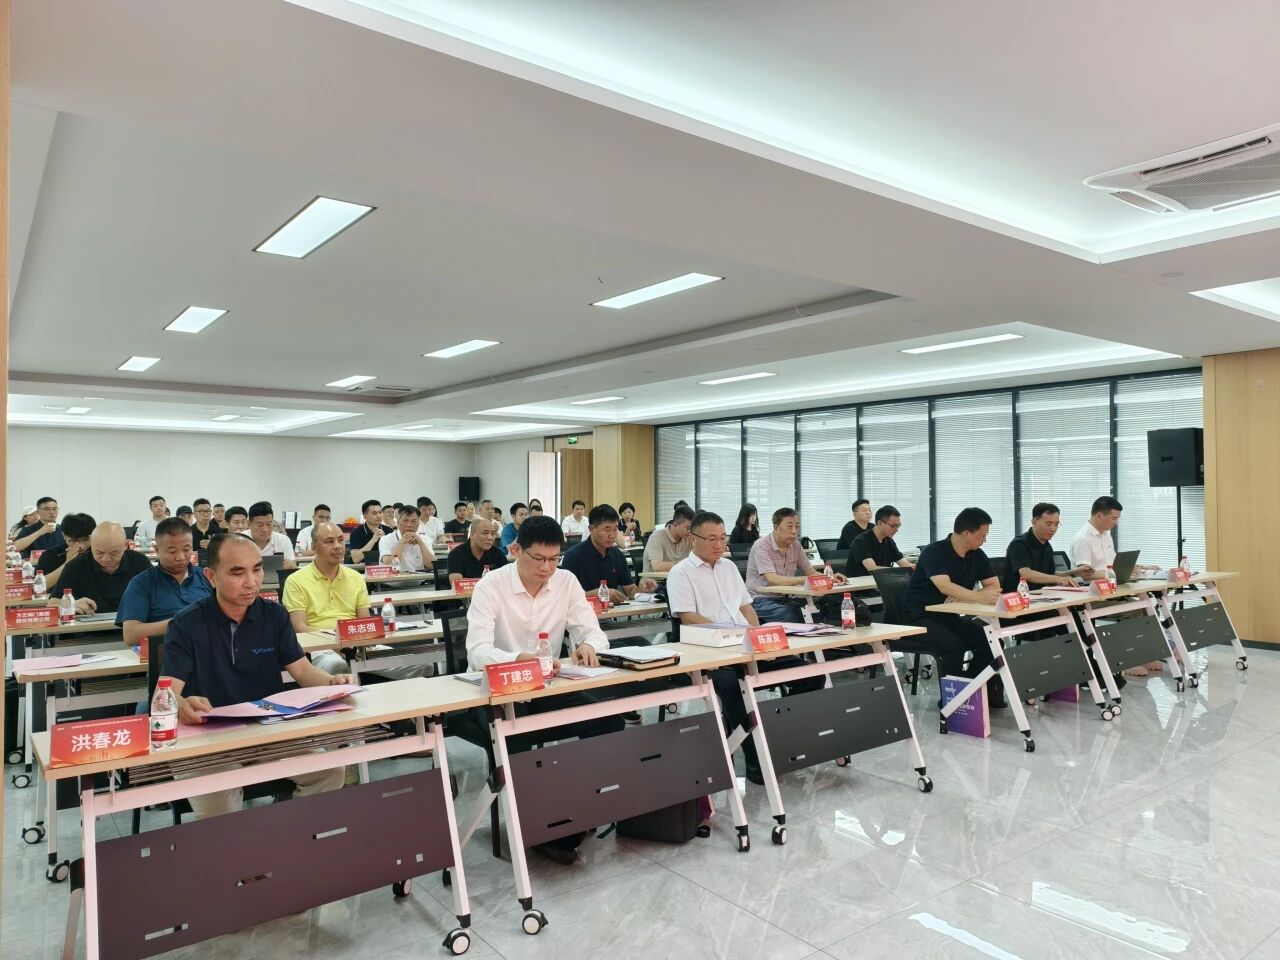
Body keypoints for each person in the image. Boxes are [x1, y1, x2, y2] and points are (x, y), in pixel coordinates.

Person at [466, 515, 623, 864]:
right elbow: (476, 652)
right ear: (516, 550)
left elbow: (593, 632)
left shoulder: (565, 582)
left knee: (608, 721)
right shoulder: (491, 586)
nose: (546, 568)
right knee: (516, 736)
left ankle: (579, 806)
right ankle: (541, 826)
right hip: (499, 692)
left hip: (547, 687)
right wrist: (518, 659)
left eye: (554, 559)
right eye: (538, 559)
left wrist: (589, 645)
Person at [161, 534, 352, 819]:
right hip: (208, 740)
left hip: (266, 730)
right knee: (220, 807)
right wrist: (182, 703)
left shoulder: (273, 615)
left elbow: (302, 670)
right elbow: (166, 692)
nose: (251, 582)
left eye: (257, 569)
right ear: (211, 576)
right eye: (237, 572)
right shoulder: (186, 624)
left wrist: (332, 683)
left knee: (331, 771)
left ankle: (287, 832)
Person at [668, 510, 823, 785]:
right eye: (711, 539)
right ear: (693, 538)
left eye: (722, 538)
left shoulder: (728, 568)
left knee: (811, 674)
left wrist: (756, 635)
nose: (719, 544)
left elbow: (746, 607)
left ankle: (773, 733)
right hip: (710, 651)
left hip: (745, 645)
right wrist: (730, 636)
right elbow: (689, 617)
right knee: (729, 685)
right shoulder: (681, 573)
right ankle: (754, 757)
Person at [902, 507, 1004, 707]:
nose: (984, 540)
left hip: (949, 617)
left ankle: (970, 688)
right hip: (918, 618)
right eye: (982, 536)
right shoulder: (934, 552)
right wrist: (976, 596)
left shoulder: (977, 554)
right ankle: (951, 702)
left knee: (992, 641)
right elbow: (944, 586)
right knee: (953, 646)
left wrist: (963, 597)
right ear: (966, 533)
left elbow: (994, 586)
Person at [283, 521, 369, 675]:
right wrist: (335, 643)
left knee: (413, 663)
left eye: (341, 540)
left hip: (354, 642)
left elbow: (365, 621)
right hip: (317, 645)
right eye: (329, 541)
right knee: (338, 667)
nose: (337, 546)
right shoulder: (296, 580)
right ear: (314, 547)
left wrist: (354, 643)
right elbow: (299, 627)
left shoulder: (356, 577)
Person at [117, 517, 214, 650]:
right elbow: (130, 635)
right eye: (172, 551)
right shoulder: (141, 584)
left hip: (209, 651)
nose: (180, 557)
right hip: (166, 655)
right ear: (157, 549)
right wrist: (180, 623)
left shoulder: (208, 577)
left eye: (186, 549)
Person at [746, 507, 846, 623]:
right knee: (793, 615)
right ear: (776, 527)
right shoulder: (761, 546)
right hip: (760, 599)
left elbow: (811, 572)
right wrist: (807, 579)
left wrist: (829, 578)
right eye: (789, 526)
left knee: (825, 608)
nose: (794, 531)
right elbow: (773, 579)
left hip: (787, 597)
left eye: (797, 527)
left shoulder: (796, 545)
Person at [47, 521, 150, 615]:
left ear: (126, 545)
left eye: (114, 553)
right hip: (90, 627)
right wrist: (71, 605)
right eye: (99, 553)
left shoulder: (140, 562)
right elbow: (52, 604)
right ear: (91, 541)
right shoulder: (76, 566)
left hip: (133, 625)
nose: (106, 559)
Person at [561, 504, 657, 603]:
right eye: (607, 529)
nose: (612, 535)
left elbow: (630, 591)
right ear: (591, 529)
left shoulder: (617, 555)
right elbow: (565, 596)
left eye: (615, 529)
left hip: (612, 611)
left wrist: (641, 588)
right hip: (582, 611)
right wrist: (599, 594)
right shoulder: (573, 556)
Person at [1002, 502, 1080, 593]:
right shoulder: (1019, 544)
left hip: (1040, 595)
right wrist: (1059, 579)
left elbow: (1050, 574)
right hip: (1017, 596)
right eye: (1048, 524)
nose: (1053, 528)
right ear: (1034, 522)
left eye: (1056, 524)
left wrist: (1074, 572)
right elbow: (1026, 574)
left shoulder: (1047, 546)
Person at [35, 512, 96, 592]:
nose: (81, 546)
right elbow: (39, 587)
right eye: (74, 541)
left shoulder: (98, 553)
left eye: (85, 540)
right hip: (62, 598)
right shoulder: (51, 555)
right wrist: (68, 562)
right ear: (64, 536)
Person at [848, 505, 915, 573]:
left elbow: (905, 565)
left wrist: (918, 568)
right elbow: (872, 568)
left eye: (898, 526)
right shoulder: (861, 541)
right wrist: (899, 571)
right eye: (893, 526)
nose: (896, 530)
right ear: (880, 523)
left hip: (883, 578)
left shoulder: (889, 541)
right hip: (861, 579)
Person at [448, 518, 507, 584]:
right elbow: (457, 584)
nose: (490, 538)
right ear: (472, 535)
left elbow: (507, 580)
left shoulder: (498, 553)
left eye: (493, 534)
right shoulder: (456, 554)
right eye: (485, 533)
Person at [379, 504, 435, 572]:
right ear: (398, 522)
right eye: (405, 521)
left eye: (413, 521)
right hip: (395, 578)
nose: (409, 525)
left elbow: (432, 565)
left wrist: (421, 543)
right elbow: (389, 566)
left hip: (419, 578)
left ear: (419, 524)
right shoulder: (385, 540)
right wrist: (402, 542)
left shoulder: (425, 539)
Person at [642, 504, 695, 572]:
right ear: (675, 524)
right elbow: (657, 566)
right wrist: (685, 565)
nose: (690, 531)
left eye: (692, 528)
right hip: (655, 578)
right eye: (688, 528)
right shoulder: (657, 537)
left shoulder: (688, 538)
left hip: (678, 576)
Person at [245, 501, 297, 569]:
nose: (265, 529)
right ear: (249, 524)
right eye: (260, 525)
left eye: (269, 524)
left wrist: (292, 565)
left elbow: (294, 568)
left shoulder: (283, 540)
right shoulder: (239, 540)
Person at [348, 500, 392, 564]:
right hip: (363, 568)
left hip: (384, 567)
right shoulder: (356, 532)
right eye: (374, 513)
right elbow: (355, 559)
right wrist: (373, 540)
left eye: (380, 512)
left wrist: (384, 539)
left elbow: (394, 555)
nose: (379, 516)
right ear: (365, 516)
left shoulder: (389, 530)